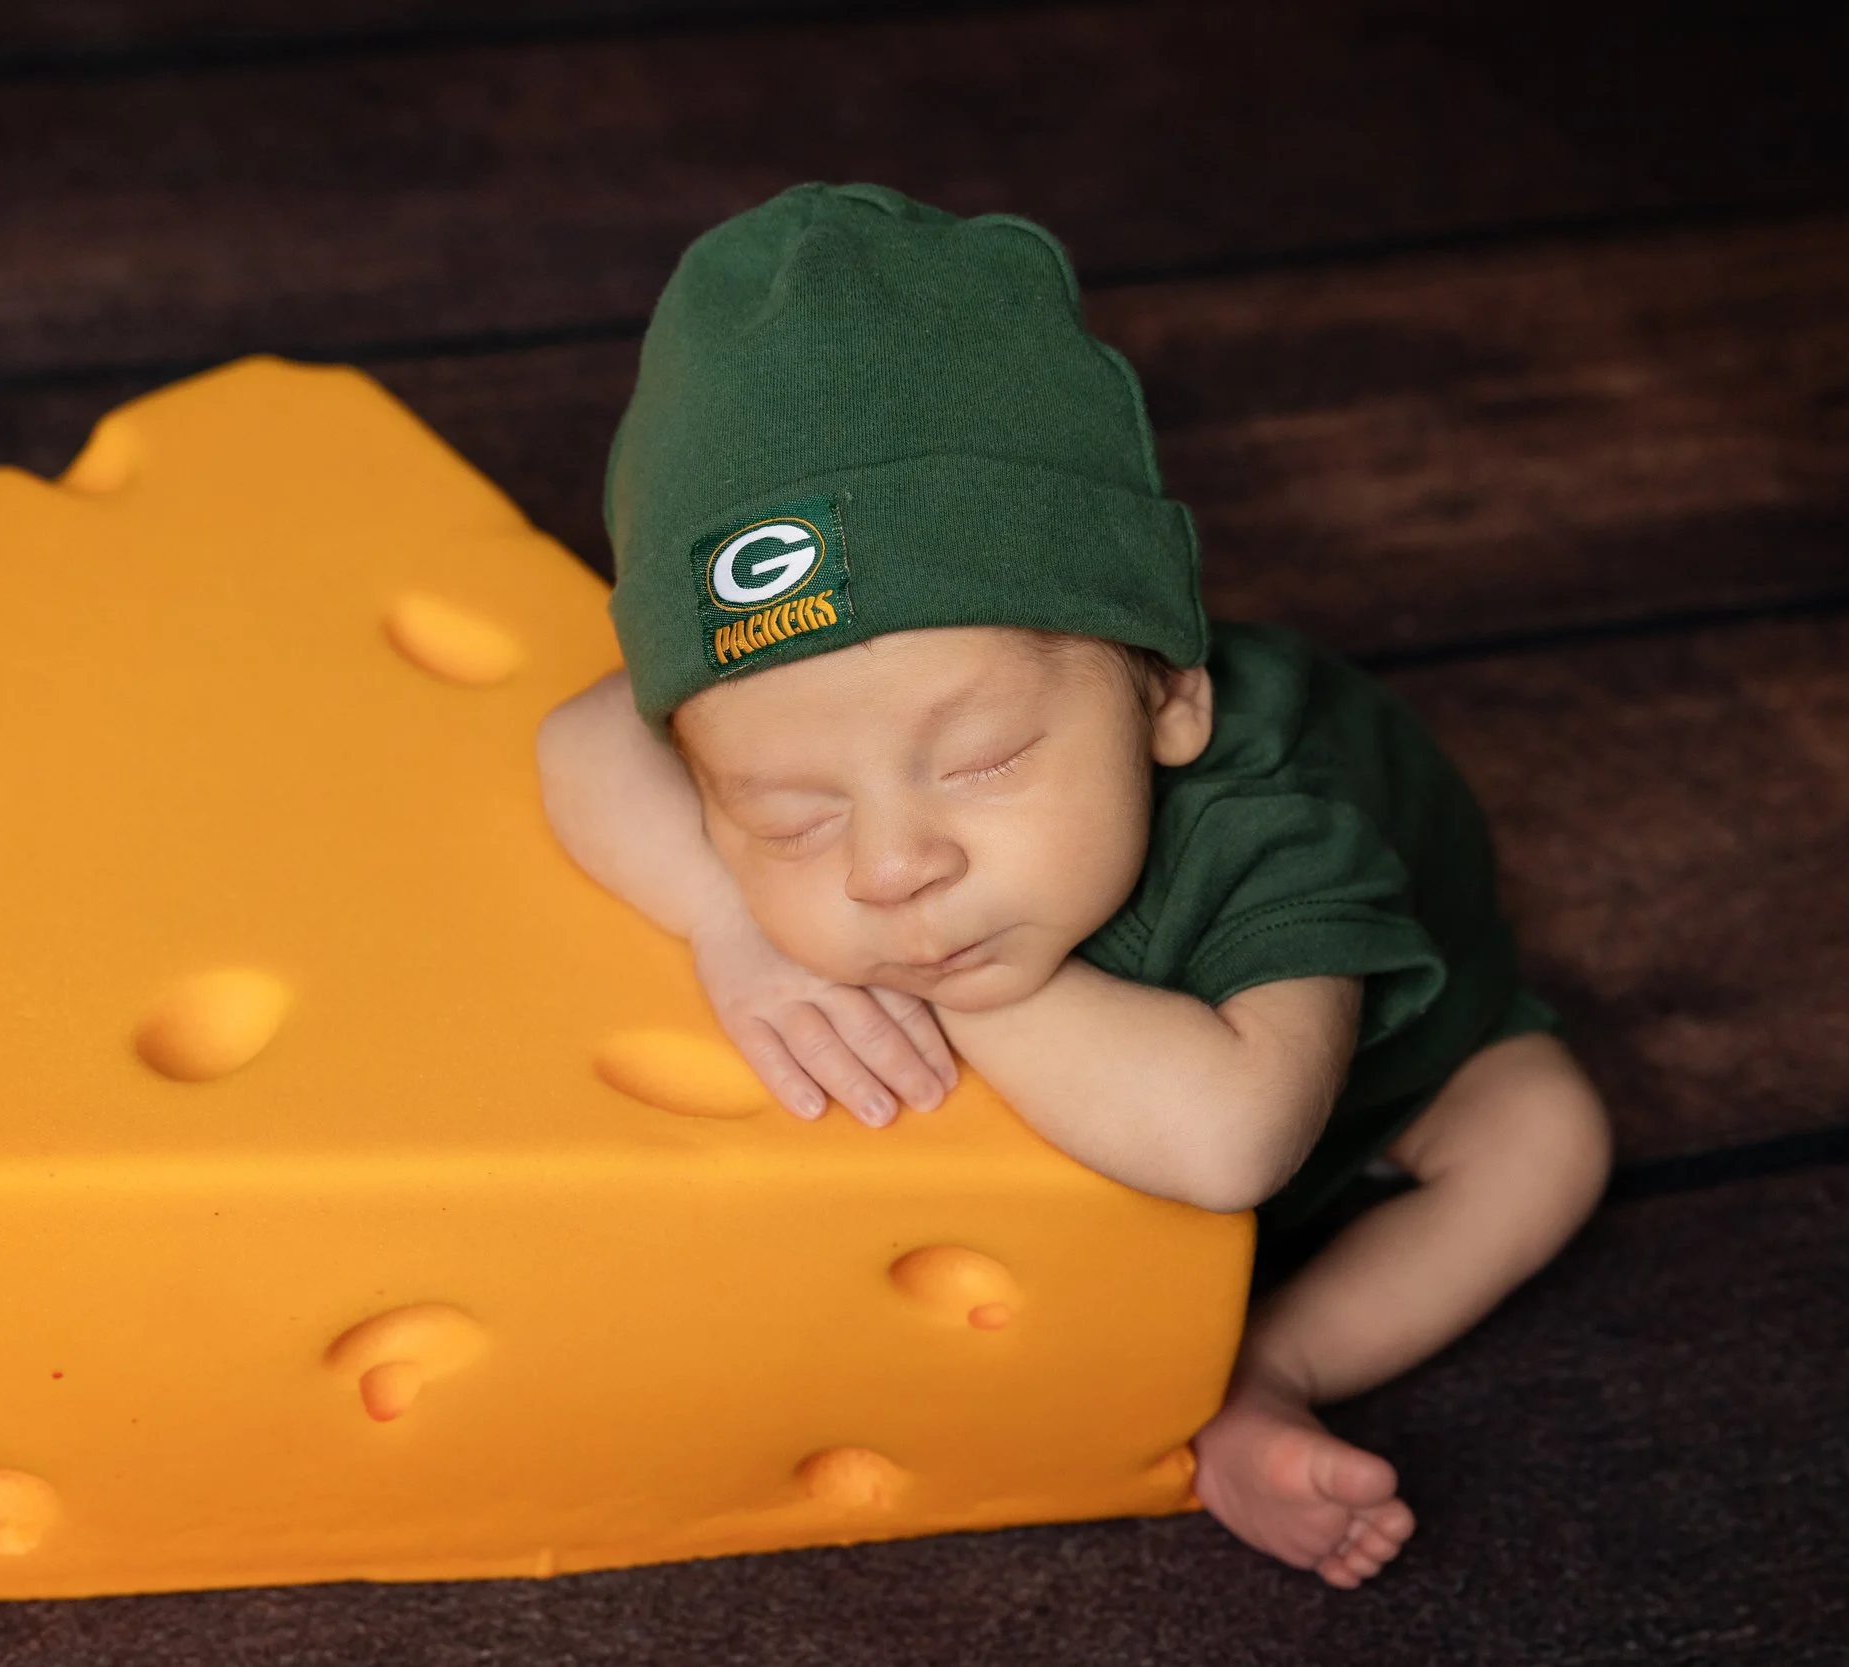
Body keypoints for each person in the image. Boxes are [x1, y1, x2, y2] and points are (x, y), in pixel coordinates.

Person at [535, 183, 1612, 1587]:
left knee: (1550, 1134)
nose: (893, 863)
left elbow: (1234, 1137)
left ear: (1164, 698)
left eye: (978, 761)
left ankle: (1271, 1366)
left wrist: (909, 973)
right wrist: (735, 914)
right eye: (791, 813)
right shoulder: (840, 802)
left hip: (1375, 1075)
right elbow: (579, 738)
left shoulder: (1268, 822)